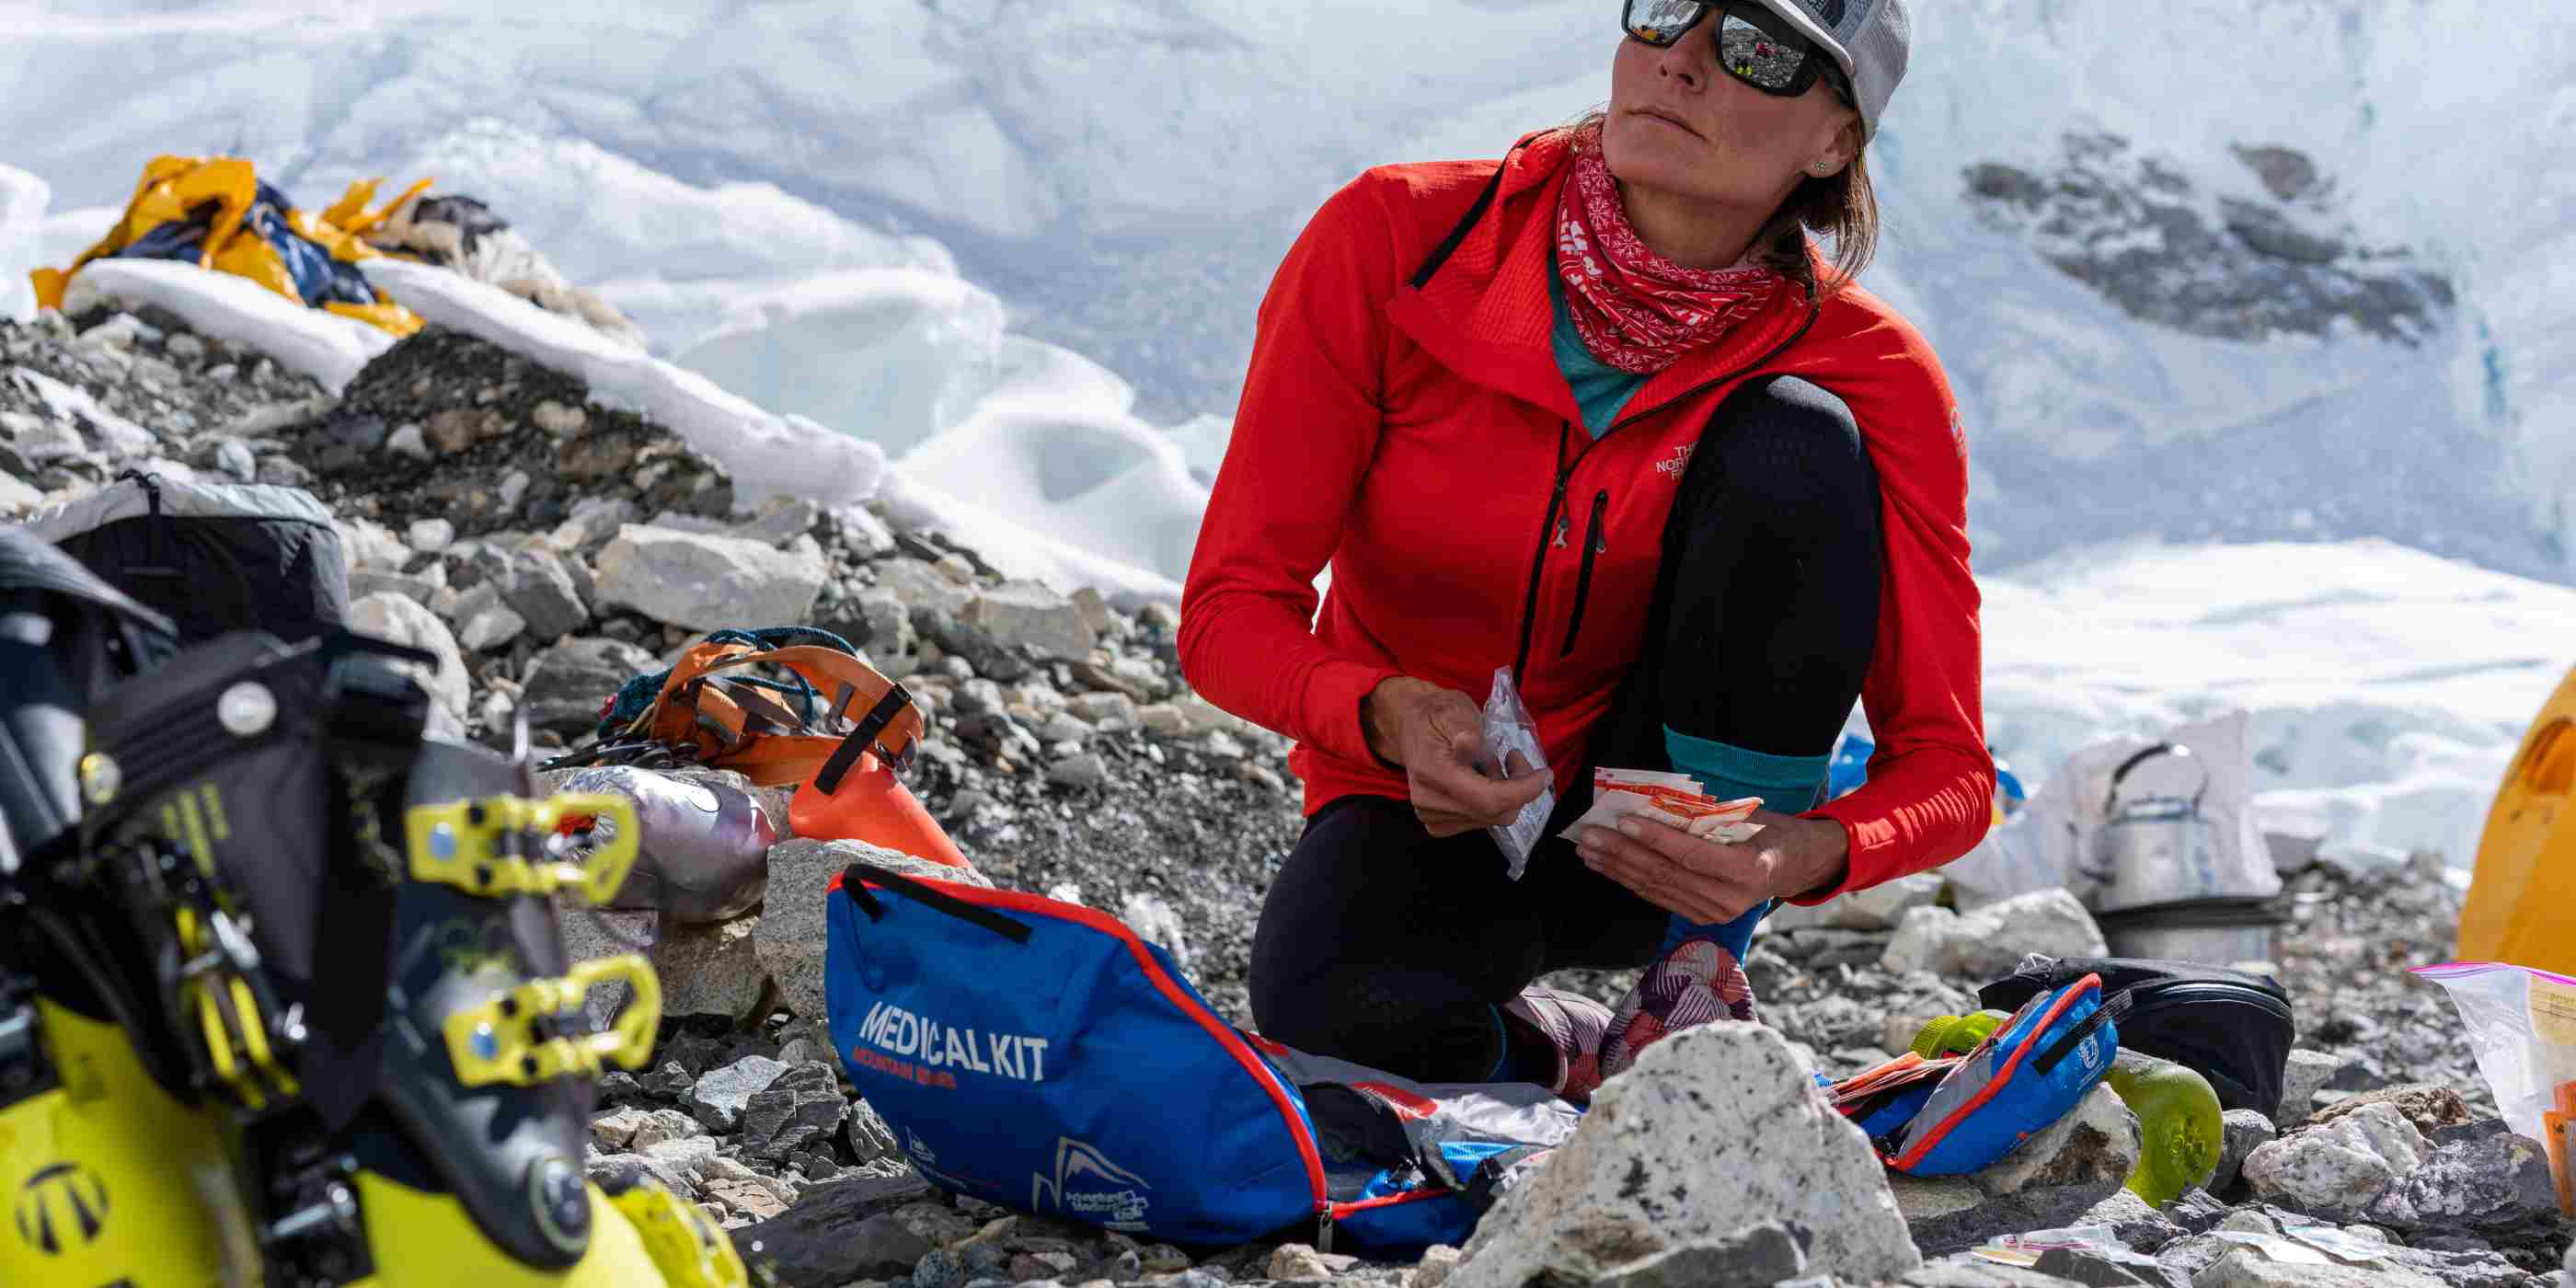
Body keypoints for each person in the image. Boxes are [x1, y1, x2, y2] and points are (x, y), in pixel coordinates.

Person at [1179, 0, 1993, 1097]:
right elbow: (1228, 612)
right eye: (1665, 14)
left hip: (1677, 847)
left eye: (1759, 49)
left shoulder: (1874, 371)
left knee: (1797, 438)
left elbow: (1947, 767)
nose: (1683, 63)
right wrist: (1383, 708)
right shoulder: (1394, 240)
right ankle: (1562, 1048)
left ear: (1835, 140)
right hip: (1433, 796)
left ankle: (1690, 978)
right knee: (1329, 1013)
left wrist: (1801, 854)